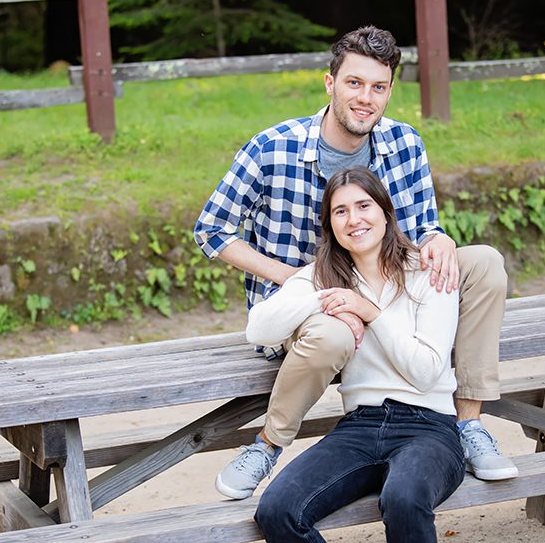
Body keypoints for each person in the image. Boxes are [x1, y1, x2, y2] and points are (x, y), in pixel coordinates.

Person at [194, 25, 518, 499]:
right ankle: (267, 444)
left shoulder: (405, 143)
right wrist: (290, 277)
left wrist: (439, 237)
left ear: (389, 91)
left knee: (485, 261)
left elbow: (421, 227)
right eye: (354, 83)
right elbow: (212, 230)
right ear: (330, 84)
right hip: (310, 304)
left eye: (378, 87)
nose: (365, 97)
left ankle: (468, 424)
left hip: (389, 298)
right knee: (330, 334)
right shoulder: (271, 147)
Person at [251, 167, 465, 543]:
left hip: (430, 426)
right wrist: (324, 294)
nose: (354, 219)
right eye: (340, 211)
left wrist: (369, 311)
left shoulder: (425, 270)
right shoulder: (323, 276)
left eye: (363, 206)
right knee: (277, 509)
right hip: (362, 423)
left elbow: (426, 370)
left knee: (406, 494)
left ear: (385, 212)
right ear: (330, 225)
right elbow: (258, 328)